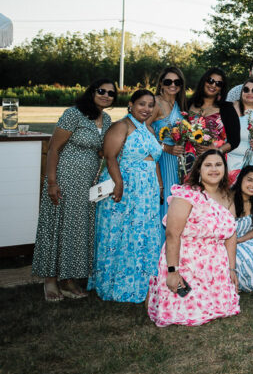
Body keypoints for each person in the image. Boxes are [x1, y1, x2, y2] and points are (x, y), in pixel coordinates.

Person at [32, 78, 115, 302]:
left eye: (110, 93)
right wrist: (51, 182)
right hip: (65, 178)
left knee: (78, 229)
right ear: (92, 91)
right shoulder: (74, 114)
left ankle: (68, 279)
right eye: (101, 91)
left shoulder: (106, 119)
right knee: (57, 225)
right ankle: (50, 280)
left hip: (88, 183)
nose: (106, 95)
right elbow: (54, 148)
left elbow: (101, 151)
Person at [148, 149, 241, 327]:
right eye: (208, 165)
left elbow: (231, 234)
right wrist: (173, 271)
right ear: (198, 170)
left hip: (216, 266)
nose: (214, 169)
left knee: (223, 311)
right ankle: (157, 291)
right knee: (186, 316)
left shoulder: (227, 196)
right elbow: (172, 234)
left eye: (218, 165)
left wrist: (231, 269)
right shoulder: (186, 194)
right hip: (187, 263)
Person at [89, 89, 164, 303]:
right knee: (120, 233)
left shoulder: (149, 129)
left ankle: (141, 283)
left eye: (150, 105)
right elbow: (110, 157)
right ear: (131, 105)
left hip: (147, 191)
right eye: (142, 104)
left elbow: (154, 160)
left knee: (142, 233)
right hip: (126, 187)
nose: (146, 109)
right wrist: (119, 184)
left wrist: (159, 186)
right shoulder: (121, 126)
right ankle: (115, 284)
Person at [185, 68, 240, 174]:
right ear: (204, 81)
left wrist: (216, 151)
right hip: (187, 161)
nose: (213, 85)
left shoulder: (227, 108)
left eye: (218, 83)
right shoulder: (187, 104)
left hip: (213, 164)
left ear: (221, 88)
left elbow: (234, 141)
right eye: (210, 81)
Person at [152, 66, 186, 216]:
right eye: (168, 81)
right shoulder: (155, 103)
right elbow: (142, 133)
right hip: (161, 159)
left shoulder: (181, 105)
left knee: (178, 203)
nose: (173, 85)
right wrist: (165, 147)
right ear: (161, 84)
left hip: (179, 160)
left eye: (177, 82)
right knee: (166, 200)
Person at [227, 78, 253, 174]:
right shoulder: (231, 109)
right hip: (229, 161)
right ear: (242, 92)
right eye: (246, 90)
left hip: (252, 164)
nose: (250, 93)